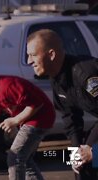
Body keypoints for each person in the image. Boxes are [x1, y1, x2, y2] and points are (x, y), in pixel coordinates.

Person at [26, 29, 98, 179]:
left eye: (33, 55)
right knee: (81, 163)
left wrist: (92, 150)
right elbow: (71, 120)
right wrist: (76, 154)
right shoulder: (57, 79)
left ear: (51, 55)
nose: (29, 61)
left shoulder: (86, 74)